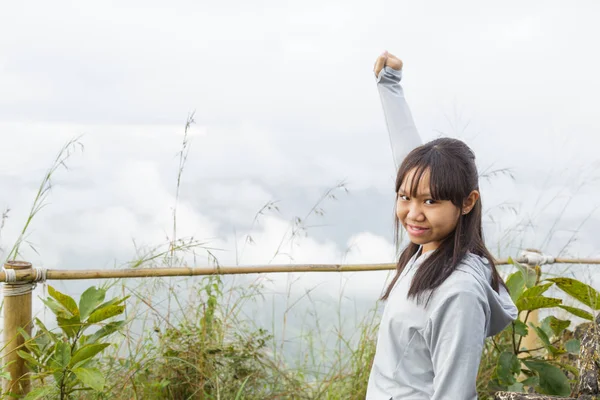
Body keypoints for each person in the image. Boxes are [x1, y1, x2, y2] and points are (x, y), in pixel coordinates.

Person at [366, 51, 518, 400]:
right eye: (405, 197)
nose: (413, 213)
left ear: (467, 202)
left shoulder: (458, 292)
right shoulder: (432, 250)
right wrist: (389, 83)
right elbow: (407, 155)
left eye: (431, 201)